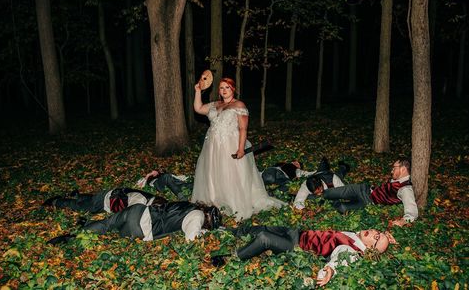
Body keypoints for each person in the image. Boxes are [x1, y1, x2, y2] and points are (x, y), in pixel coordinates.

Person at [191, 77, 285, 221]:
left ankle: (234, 202)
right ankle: (216, 200)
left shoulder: (238, 105)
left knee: (231, 173)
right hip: (212, 146)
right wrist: (198, 91)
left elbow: (243, 129)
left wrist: (241, 149)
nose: (224, 90)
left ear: (233, 89)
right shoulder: (216, 104)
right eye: (221, 88)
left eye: (227, 87)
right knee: (214, 172)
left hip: (231, 144)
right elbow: (198, 108)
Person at [212, 225, 396, 287]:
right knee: (263, 227)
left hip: (296, 245)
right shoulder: (356, 236)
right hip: (297, 233)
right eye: (376, 231)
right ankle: (230, 230)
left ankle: (232, 257)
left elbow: (339, 260)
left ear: (370, 248)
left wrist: (329, 271)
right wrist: (388, 236)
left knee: (264, 238)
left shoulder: (353, 251)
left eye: (376, 237)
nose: (373, 232)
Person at [48, 201, 222, 244]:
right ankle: (83, 232)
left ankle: (73, 235)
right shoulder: (197, 217)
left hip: (139, 210)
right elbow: (191, 238)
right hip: (142, 228)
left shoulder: (190, 205)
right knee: (113, 235)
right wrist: (204, 233)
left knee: (107, 224)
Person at [323, 157, 417, 226]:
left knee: (342, 208)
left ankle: (337, 198)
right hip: (362, 189)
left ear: (403, 169)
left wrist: (402, 221)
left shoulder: (405, 189)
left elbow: (412, 213)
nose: (392, 170)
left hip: (367, 202)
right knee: (328, 193)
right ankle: (342, 170)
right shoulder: (397, 179)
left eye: (394, 168)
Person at [42, 187, 165, 213]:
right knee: (81, 207)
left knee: (90, 199)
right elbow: (126, 215)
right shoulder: (140, 202)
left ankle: (78, 195)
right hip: (104, 201)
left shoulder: (148, 198)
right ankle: (55, 201)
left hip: (108, 195)